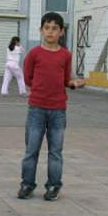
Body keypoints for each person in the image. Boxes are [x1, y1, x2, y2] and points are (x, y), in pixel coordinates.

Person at [17, 12, 84, 201]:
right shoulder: (34, 54)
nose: (50, 32)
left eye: (55, 28)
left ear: (61, 32)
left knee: (55, 151)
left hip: (58, 111)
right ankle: (27, 184)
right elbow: (28, 77)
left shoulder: (65, 55)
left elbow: (65, 80)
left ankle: (53, 186)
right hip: (36, 109)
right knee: (31, 150)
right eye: (47, 28)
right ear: (40, 30)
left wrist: (74, 84)